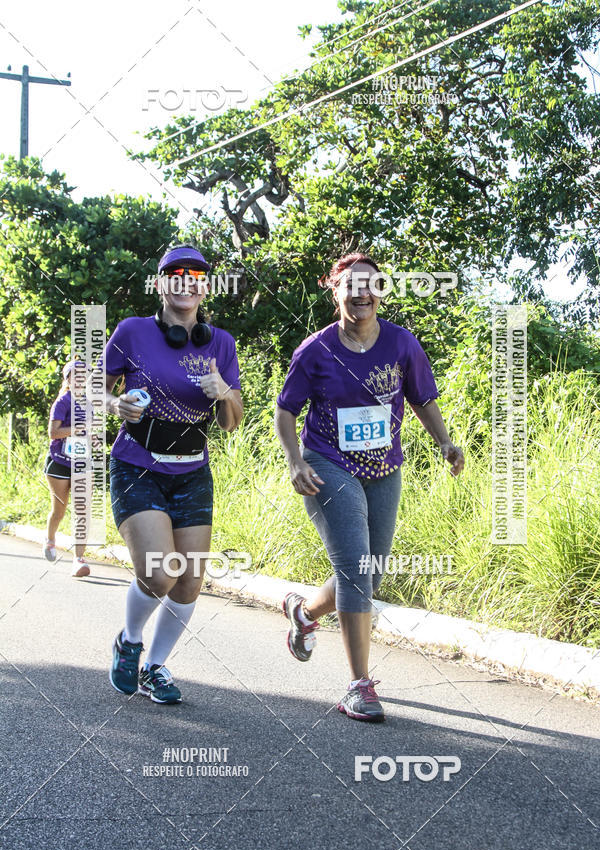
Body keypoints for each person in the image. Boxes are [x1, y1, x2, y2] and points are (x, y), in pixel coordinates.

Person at [275, 253, 464, 723]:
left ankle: (304, 613)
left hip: (384, 469)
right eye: (351, 286)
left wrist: (445, 442)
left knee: (371, 571)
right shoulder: (315, 350)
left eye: (371, 285)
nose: (362, 293)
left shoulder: (401, 344)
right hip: (327, 464)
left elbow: (421, 398)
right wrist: (295, 462)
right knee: (358, 568)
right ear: (335, 291)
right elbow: (285, 412)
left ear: (380, 291)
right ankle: (359, 685)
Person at [104, 244, 243, 704]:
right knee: (160, 573)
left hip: (192, 471)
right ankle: (129, 639)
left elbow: (232, 420)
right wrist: (113, 404)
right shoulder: (132, 332)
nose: (187, 282)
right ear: (161, 284)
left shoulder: (220, 343)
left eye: (197, 275)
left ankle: (155, 668)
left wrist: (224, 392)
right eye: (176, 274)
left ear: (205, 287)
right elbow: (91, 394)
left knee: (189, 578)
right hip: (137, 465)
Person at [43, 360, 91, 578]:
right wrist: (77, 429)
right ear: (68, 379)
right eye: (76, 375)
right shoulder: (63, 401)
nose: (80, 378)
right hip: (59, 461)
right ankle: (50, 540)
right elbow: (53, 433)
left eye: (84, 375)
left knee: (82, 510)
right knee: (59, 511)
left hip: (81, 461)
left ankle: (78, 559)